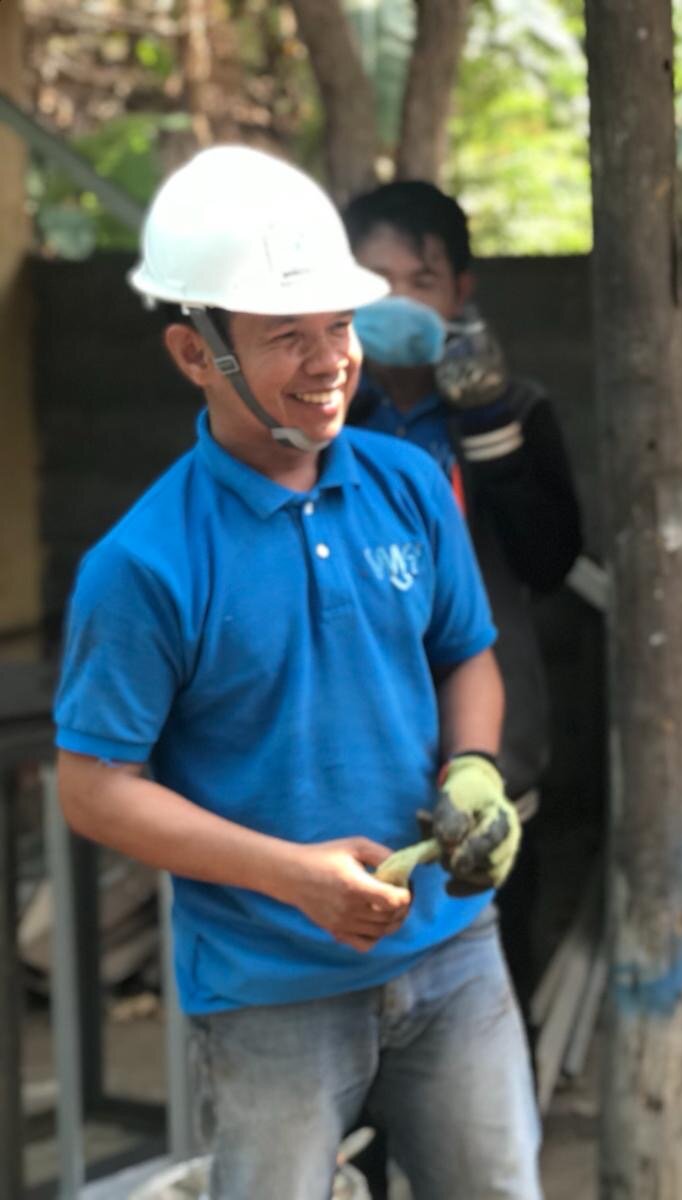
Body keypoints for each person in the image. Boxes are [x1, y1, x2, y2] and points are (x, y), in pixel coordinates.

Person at [51, 146, 540, 1199]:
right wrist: (290, 875)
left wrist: (473, 771)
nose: (330, 363)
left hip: (452, 956)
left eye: (340, 326)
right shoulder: (143, 565)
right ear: (195, 353)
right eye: (286, 337)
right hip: (269, 987)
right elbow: (93, 789)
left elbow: (469, 655)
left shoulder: (409, 484)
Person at [342, 181, 583, 1027]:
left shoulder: (516, 410)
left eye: (422, 281)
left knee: (492, 1003)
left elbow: (549, 560)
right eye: (375, 281)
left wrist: (485, 420)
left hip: (494, 760)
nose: (398, 303)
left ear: (461, 295)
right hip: (354, 763)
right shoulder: (322, 417)